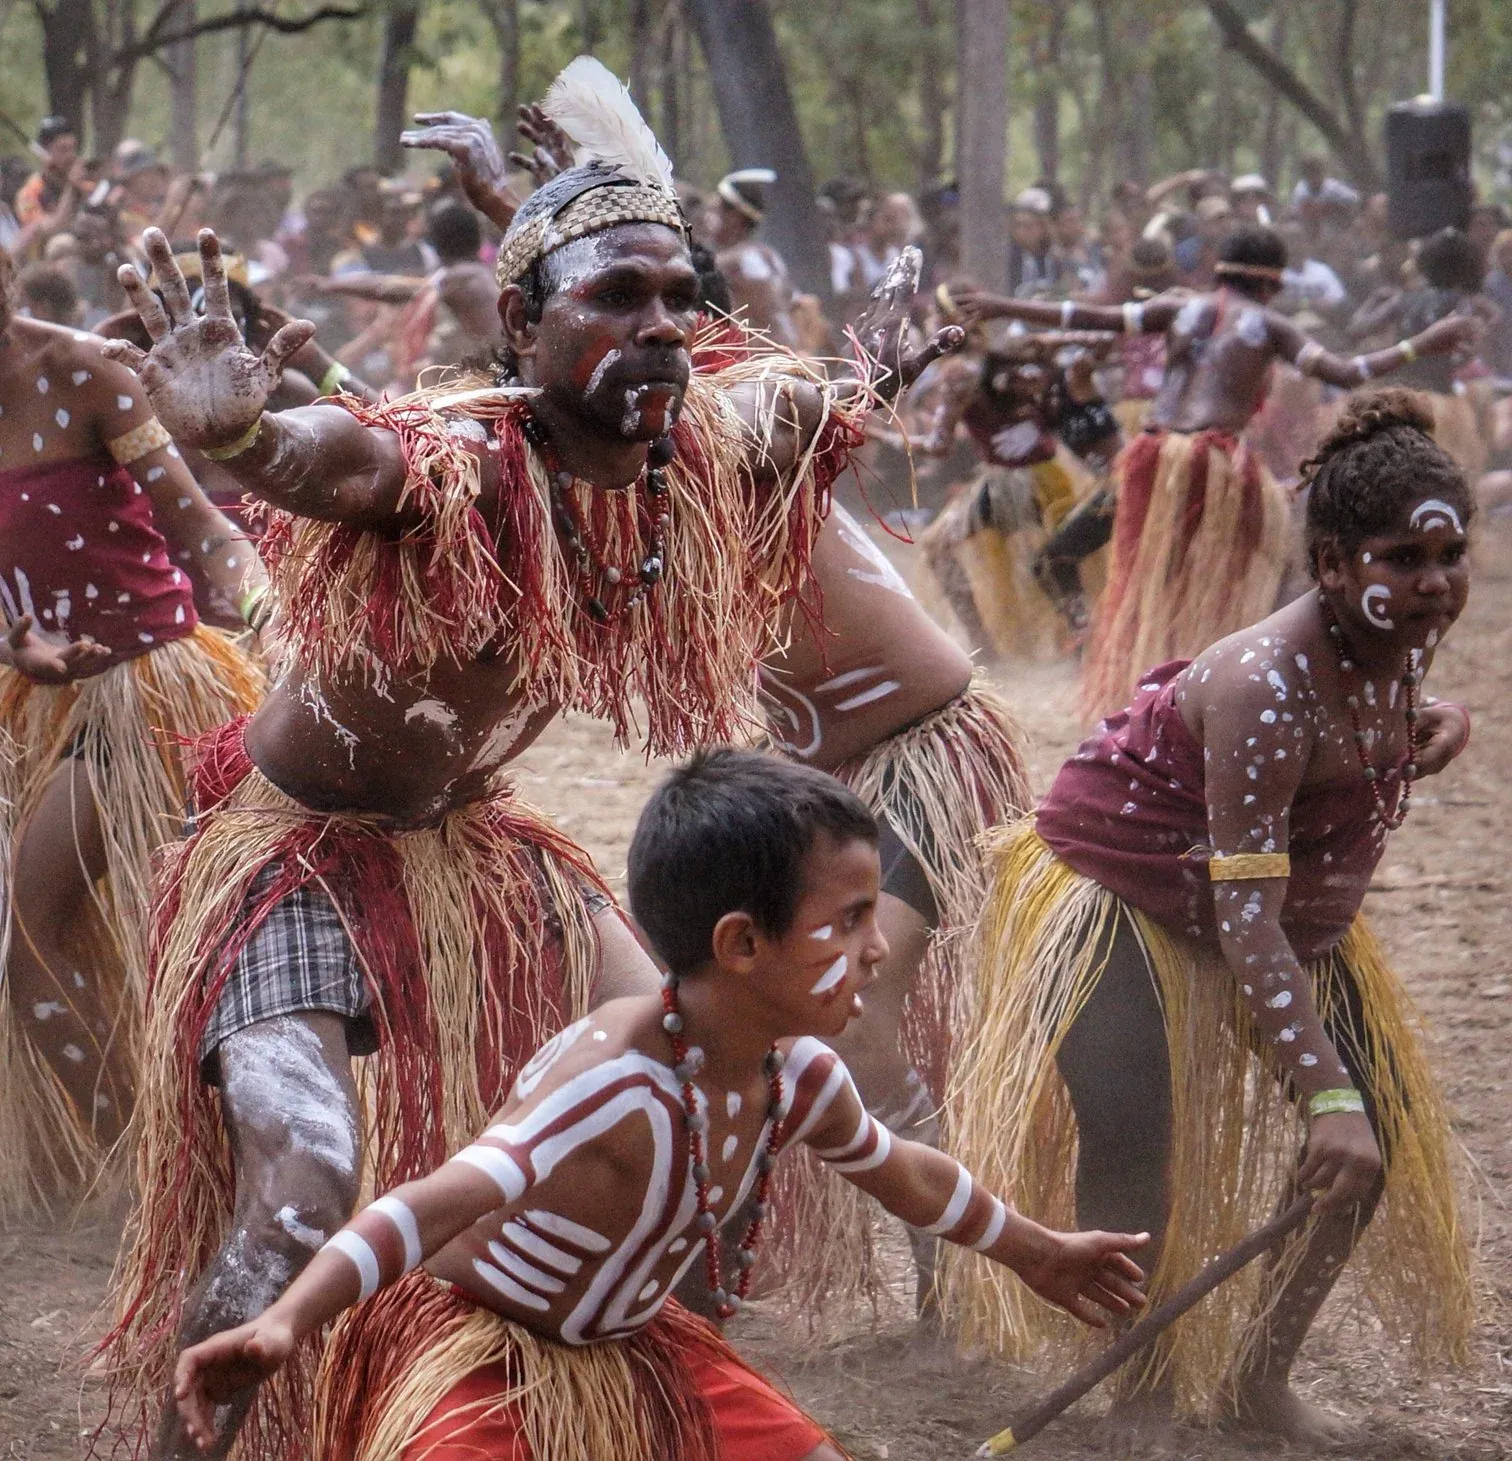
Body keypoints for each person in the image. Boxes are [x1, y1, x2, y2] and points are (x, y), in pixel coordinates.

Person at [97, 57, 950, 1459]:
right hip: (295, 858)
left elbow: (801, 406)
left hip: (484, 849)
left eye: (677, 298)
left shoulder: (695, 451)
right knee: (305, 1191)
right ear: (521, 325)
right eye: (617, 297)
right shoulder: (457, 461)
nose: (659, 324)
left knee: (716, 1074)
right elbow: (340, 462)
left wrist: (865, 377)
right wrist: (243, 435)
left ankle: (643, 1414)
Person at [169, 749, 1149, 1461]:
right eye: (848, 921)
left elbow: (903, 1173)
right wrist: (287, 1321)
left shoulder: (797, 1075)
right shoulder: (611, 1085)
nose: (879, 947)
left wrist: (1036, 1250)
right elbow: (424, 1205)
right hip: (480, 1354)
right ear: (742, 944)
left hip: (638, 1346)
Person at [943, 389, 1474, 1443]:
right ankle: (1139, 1388)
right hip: (1121, 895)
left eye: (1450, 556)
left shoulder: (1399, 636)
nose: (1433, 584)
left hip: (1265, 909)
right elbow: (1247, 919)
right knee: (1134, 1141)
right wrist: (1324, 1095)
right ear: (1332, 566)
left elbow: (1348, 746)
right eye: (1403, 560)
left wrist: (1432, 718)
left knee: (1371, 1141)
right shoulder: (1263, 683)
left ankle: (1256, 1379)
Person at [956, 225, 1481, 718]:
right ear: (1272, 282)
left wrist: (1001, 305)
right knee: (1282, 560)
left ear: (1221, 270)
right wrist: (1421, 343)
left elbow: (1086, 316)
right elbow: (1346, 371)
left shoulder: (1179, 308)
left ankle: (1158, 676)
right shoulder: (1270, 324)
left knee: (1155, 572)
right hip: (1213, 466)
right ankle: (1275, 674)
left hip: (1153, 457)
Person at [0, 244, 264, 1216]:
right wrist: (14, 645)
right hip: (38, 703)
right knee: (56, 937)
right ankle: (150, 1159)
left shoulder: (84, 373)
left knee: (37, 926)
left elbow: (203, 531)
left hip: (150, 691)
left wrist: (268, 603)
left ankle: (163, 1167)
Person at [704, 168, 798, 348]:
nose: (708, 220)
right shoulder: (768, 255)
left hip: (764, 355)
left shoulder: (729, 263)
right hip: (787, 350)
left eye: (715, 211)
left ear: (734, 217)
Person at [13, 116, 82, 242]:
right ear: (44, 153)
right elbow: (50, 230)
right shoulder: (29, 194)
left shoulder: (83, 184)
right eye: (63, 150)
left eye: (73, 148)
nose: (71, 156)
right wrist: (71, 188)